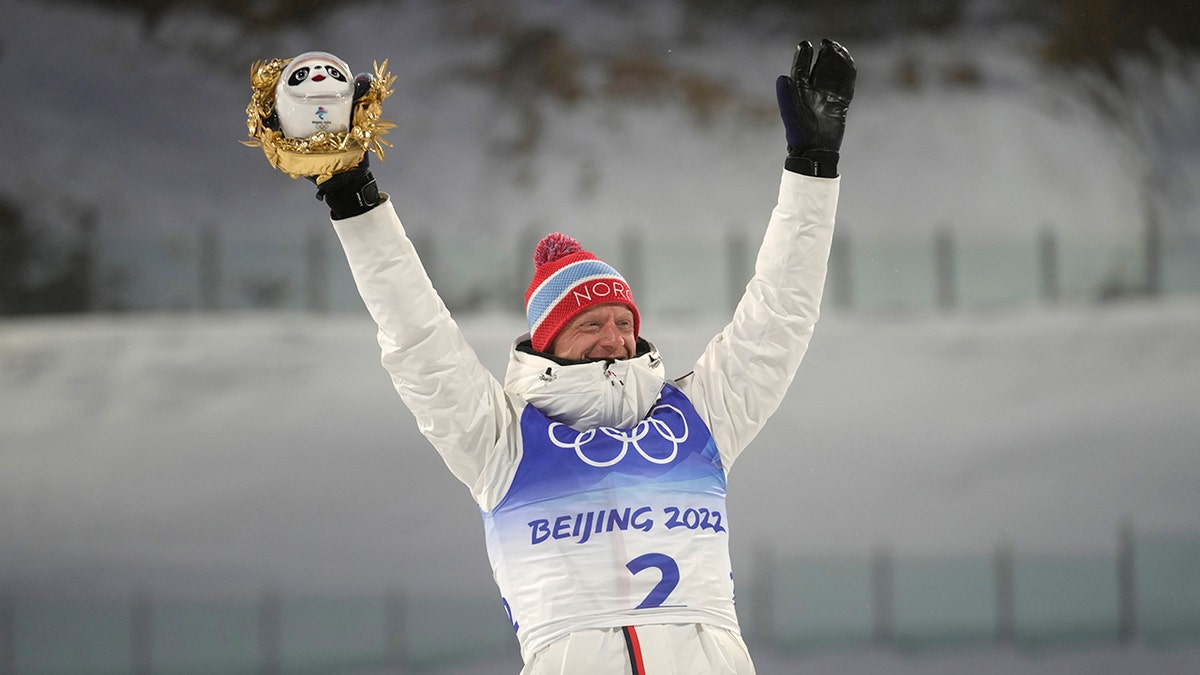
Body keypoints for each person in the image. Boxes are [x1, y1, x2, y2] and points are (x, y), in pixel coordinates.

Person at [286, 38, 853, 675]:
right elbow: (417, 337)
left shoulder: (701, 418)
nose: (614, 338)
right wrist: (350, 193)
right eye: (589, 325)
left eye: (622, 322)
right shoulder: (500, 442)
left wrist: (813, 164)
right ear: (547, 339)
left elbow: (781, 314)